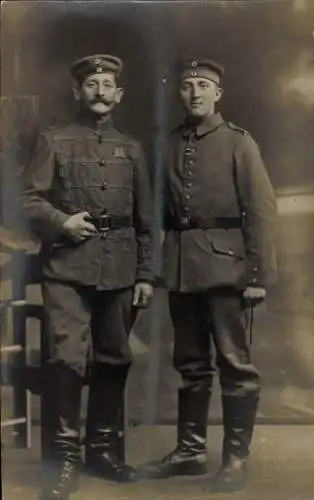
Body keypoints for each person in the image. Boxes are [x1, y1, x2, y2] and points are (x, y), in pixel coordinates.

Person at [139, 58, 277, 492]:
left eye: (203, 85)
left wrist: (257, 275)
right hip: (180, 269)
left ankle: (235, 457)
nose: (195, 93)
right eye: (186, 86)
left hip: (227, 271)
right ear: (178, 93)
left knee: (235, 364)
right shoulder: (169, 145)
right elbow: (157, 213)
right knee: (191, 364)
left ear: (219, 93)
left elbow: (261, 213)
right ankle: (191, 450)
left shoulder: (239, 143)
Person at [23, 54, 154, 499]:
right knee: (66, 359)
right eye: (92, 83)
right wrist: (63, 223)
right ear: (77, 91)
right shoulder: (53, 140)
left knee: (115, 357)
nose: (100, 91)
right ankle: (64, 459)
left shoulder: (132, 148)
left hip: (118, 268)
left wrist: (145, 275)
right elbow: (30, 202)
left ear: (120, 94)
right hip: (66, 268)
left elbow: (147, 220)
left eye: (108, 84)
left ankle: (102, 449)